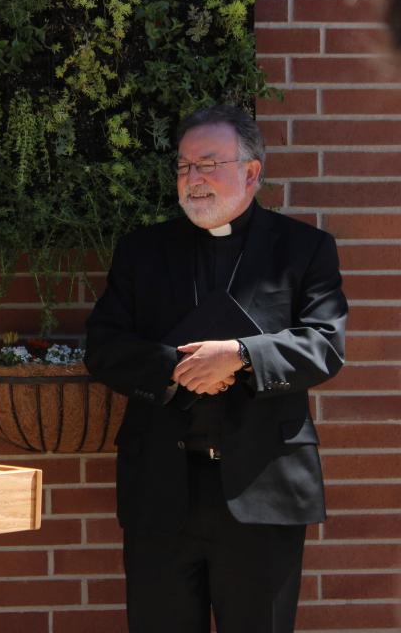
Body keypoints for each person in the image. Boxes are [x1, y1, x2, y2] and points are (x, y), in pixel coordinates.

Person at [84, 105, 348, 633]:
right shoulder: (142, 251)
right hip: (161, 490)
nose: (192, 179)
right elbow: (104, 346)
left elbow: (325, 344)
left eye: (208, 164)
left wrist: (240, 357)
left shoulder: (303, 249)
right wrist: (180, 368)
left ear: (251, 172)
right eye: (183, 167)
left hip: (263, 487)